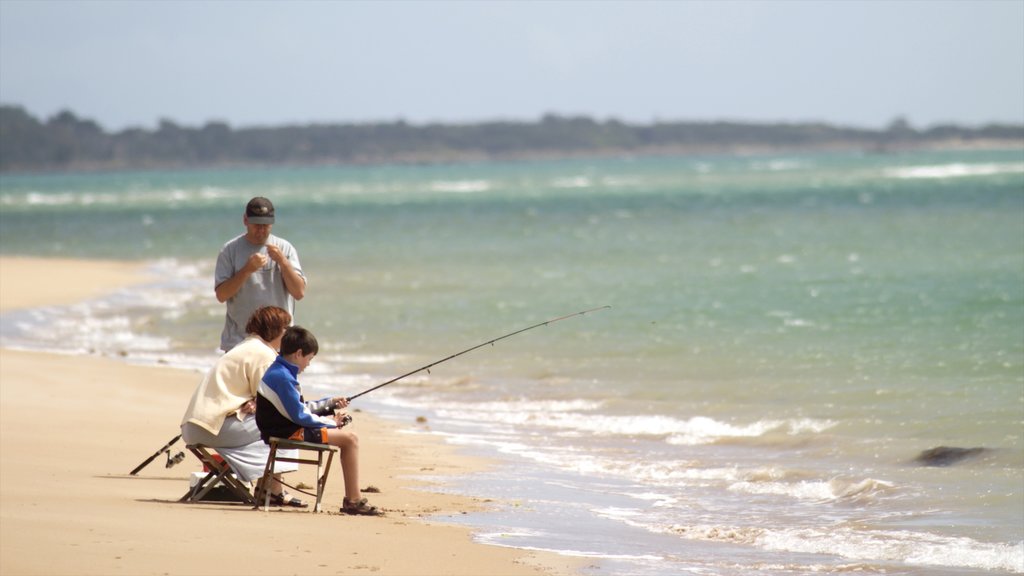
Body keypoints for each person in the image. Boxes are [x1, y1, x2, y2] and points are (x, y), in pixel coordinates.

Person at [180, 305, 307, 507]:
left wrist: (254, 402)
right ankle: (272, 490)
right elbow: (279, 403)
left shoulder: (246, 347)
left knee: (275, 423)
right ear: (275, 330)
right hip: (213, 427)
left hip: (197, 426)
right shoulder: (264, 354)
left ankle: (270, 488)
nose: (289, 335)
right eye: (286, 329)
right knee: (284, 424)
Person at [255, 326, 382, 516]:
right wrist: (333, 423)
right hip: (288, 432)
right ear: (299, 354)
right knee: (350, 439)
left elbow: (298, 408)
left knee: (348, 438)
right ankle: (353, 501)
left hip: (283, 428)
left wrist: (329, 404)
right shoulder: (283, 377)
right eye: (309, 358)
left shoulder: (280, 371)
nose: (308, 364)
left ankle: (353, 500)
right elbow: (301, 416)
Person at [215, 196, 306, 352]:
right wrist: (247, 270)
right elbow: (222, 295)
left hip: (279, 342)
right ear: (245, 221)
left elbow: (299, 292)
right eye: (256, 225)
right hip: (239, 341)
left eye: (266, 225)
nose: (261, 230)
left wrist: (283, 262)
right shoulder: (230, 250)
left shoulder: (285, 248)